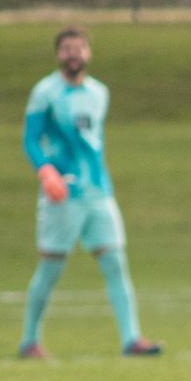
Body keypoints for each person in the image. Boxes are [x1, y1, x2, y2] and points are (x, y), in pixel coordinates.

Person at [18, 26, 162, 360]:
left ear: (88, 53)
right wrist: (46, 170)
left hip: (99, 192)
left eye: (79, 48)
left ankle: (131, 339)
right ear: (58, 54)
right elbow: (30, 139)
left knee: (115, 261)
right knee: (51, 265)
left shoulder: (100, 92)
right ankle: (29, 341)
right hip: (62, 192)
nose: (73, 54)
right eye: (67, 48)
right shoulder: (45, 92)